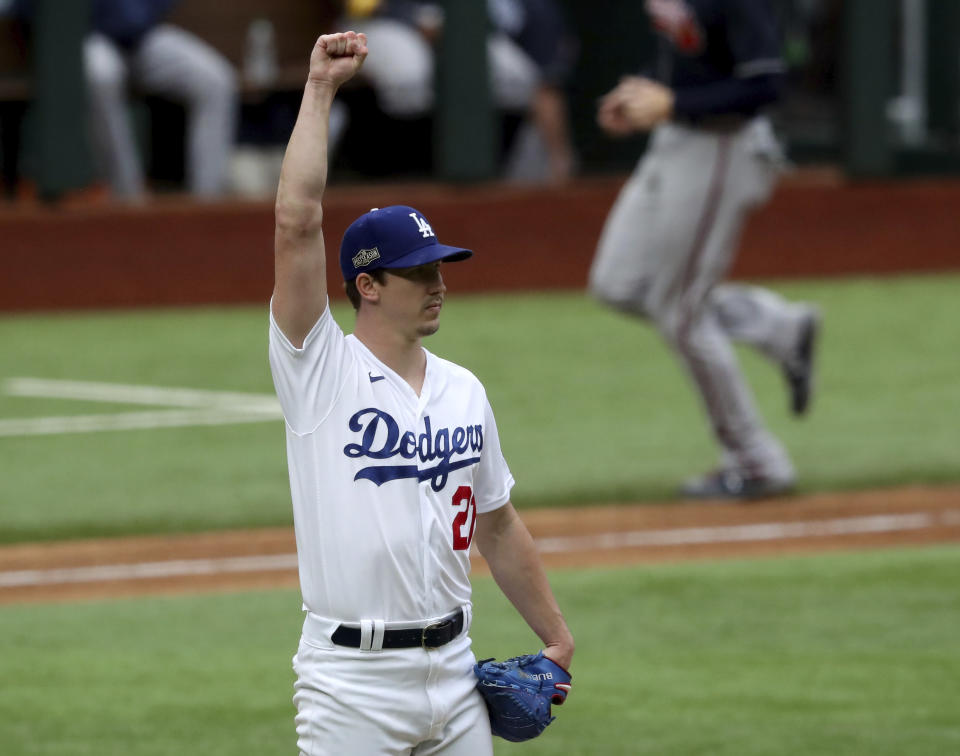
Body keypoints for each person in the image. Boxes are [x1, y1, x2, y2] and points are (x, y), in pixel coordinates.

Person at [268, 31, 574, 754]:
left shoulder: (464, 390)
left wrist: (556, 634)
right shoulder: (320, 373)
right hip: (351, 685)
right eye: (416, 273)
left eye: (440, 268)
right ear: (367, 286)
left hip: (456, 673)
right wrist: (319, 90)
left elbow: (497, 525)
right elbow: (296, 222)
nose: (438, 284)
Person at [588, 0, 820, 499]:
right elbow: (686, 52)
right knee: (618, 284)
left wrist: (672, 104)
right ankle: (778, 325)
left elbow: (766, 84)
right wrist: (641, 91)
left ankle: (757, 460)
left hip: (721, 149)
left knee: (680, 312)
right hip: (674, 143)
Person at [336, 0, 577, 184]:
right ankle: (395, 175)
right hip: (382, 21)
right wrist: (414, 18)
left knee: (517, 79)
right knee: (409, 77)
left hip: (460, 23)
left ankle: (493, 173)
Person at [82, 0, 237, 201]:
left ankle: (207, 202)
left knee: (216, 80)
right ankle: (128, 199)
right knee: (101, 76)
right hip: (88, 37)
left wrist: (136, 14)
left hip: (143, 36)